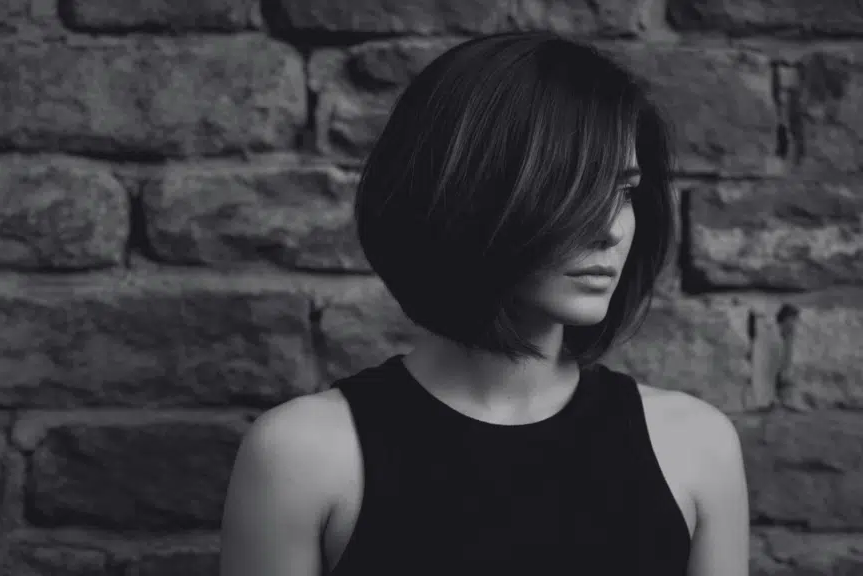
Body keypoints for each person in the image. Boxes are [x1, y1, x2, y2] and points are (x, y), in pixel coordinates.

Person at [220, 31, 749, 576]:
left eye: (624, 191)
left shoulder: (695, 447)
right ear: (467, 195)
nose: (609, 231)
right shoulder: (302, 456)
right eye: (572, 188)